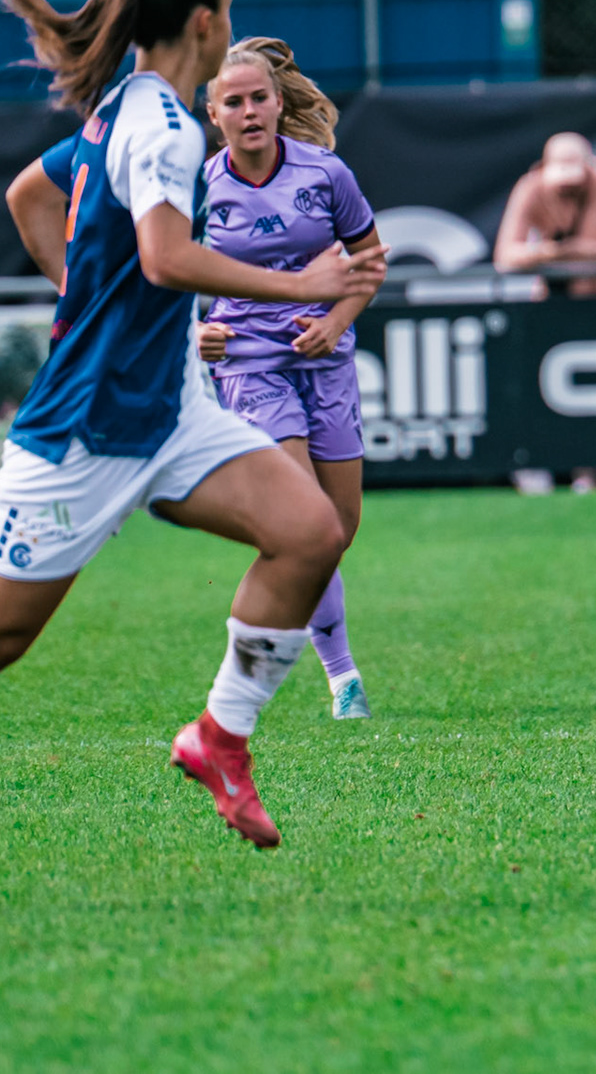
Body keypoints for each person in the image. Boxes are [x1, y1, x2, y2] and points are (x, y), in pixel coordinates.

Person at [0, 0, 389, 915]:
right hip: (84, 430)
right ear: (205, 21)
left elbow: (31, 194)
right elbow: (163, 258)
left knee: (310, 532)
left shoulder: (126, 106)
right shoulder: (162, 126)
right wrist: (302, 283)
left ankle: (220, 737)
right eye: (228, 10)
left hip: (171, 411)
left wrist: (92, 301)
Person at [194, 37, 382, 720]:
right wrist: (194, 333)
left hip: (325, 360)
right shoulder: (196, 188)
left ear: (278, 103)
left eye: (258, 98)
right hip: (249, 365)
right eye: (233, 102)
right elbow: (158, 274)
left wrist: (336, 321)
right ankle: (343, 679)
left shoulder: (325, 173)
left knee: (337, 529)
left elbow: (370, 260)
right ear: (213, 113)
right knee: (305, 523)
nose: (248, 112)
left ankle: (289, 647)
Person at [492, 132, 596, 299]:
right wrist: (547, 252)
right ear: (544, 167)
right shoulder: (530, 188)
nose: (566, 189)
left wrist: (584, 251)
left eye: (574, 184)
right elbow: (505, 256)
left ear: (588, 168)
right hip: (551, 294)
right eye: (560, 184)